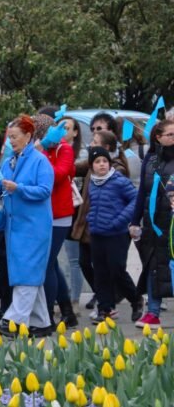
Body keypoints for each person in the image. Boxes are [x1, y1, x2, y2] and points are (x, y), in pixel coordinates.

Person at [0, 115, 54, 337]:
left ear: (28, 136)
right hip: (14, 226)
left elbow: (45, 190)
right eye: (9, 137)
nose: (11, 141)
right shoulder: (9, 161)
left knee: (27, 272)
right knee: (27, 271)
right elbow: (2, 187)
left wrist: (19, 188)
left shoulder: (40, 160)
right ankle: (42, 322)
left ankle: (13, 320)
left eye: (15, 137)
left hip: (34, 227)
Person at [32, 114, 78, 328]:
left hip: (59, 214)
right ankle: (67, 311)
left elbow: (58, 175)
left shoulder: (63, 149)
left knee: (48, 264)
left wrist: (40, 153)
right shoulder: (39, 148)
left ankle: (48, 314)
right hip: (41, 214)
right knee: (51, 264)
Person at [85, 146, 138, 323]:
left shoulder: (119, 181)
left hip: (116, 233)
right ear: (92, 166)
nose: (102, 165)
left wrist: (120, 220)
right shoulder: (92, 182)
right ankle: (105, 309)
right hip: (97, 233)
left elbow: (135, 200)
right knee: (100, 273)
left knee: (117, 269)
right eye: (97, 162)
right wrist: (90, 220)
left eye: (105, 161)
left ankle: (136, 300)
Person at [130, 120, 174, 329]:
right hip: (153, 223)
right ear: (159, 137)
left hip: (171, 223)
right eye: (171, 134)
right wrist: (134, 220)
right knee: (153, 266)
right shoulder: (152, 159)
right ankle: (153, 312)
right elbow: (142, 193)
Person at [57, 116, 85, 315]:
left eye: (67, 128)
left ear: (75, 132)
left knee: (74, 260)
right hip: (61, 210)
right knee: (60, 260)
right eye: (60, 127)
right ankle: (63, 298)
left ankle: (74, 300)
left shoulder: (81, 154)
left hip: (77, 212)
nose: (63, 131)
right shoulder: (56, 151)